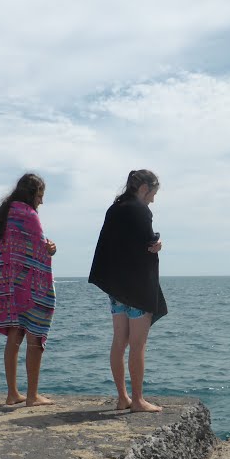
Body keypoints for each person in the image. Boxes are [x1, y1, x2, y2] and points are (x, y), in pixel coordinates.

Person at [88, 169, 167, 412]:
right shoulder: (140, 210)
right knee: (138, 344)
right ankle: (138, 400)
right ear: (144, 188)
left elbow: (117, 245)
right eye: (153, 193)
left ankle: (122, 398)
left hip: (118, 288)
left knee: (119, 341)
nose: (153, 199)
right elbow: (145, 243)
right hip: (138, 287)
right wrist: (156, 245)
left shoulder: (115, 208)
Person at [0, 173, 56, 406]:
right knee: (35, 337)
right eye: (40, 195)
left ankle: (12, 393)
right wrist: (51, 249)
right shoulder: (28, 215)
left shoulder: (5, 212)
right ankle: (32, 396)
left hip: (8, 285)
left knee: (14, 337)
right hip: (28, 287)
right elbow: (40, 250)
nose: (41, 201)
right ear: (32, 193)